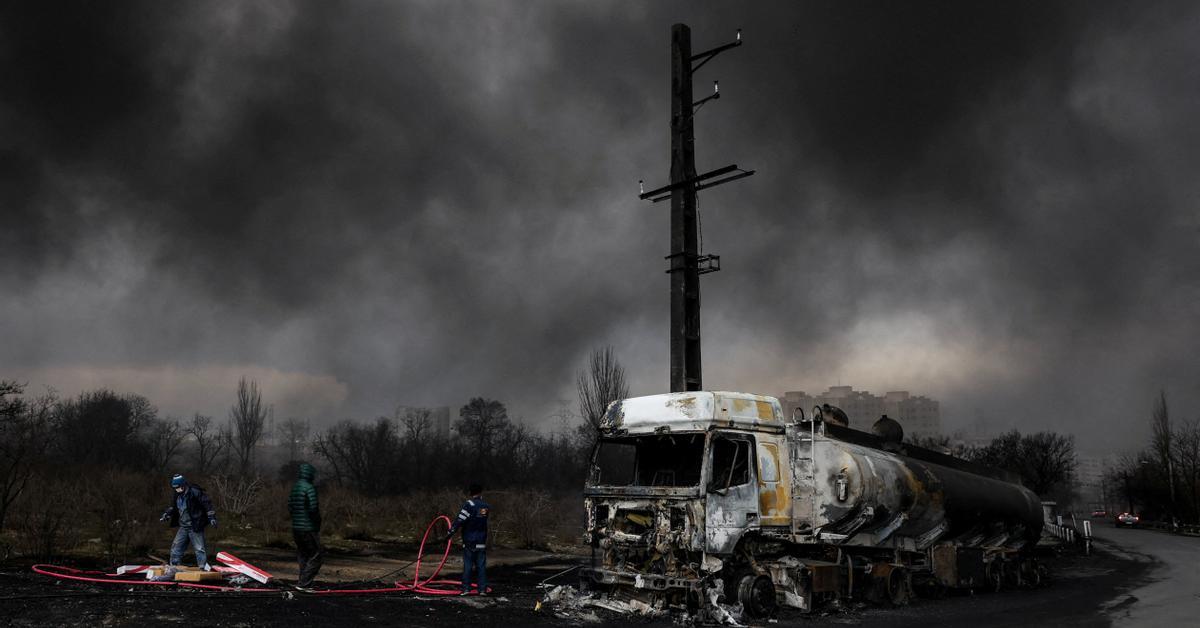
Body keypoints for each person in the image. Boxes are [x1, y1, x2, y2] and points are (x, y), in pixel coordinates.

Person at [159, 474, 217, 569]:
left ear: (183, 485)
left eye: (178, 487)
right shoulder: (177, 495)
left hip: (195, 525)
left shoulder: (194, 492)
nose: (177, 490)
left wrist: (212, 517)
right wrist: (167, 514)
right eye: (175, 488)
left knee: (199, 548)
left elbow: (207, 504)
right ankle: (174, 567)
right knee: (176, 547)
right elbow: (173, 507)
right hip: (183, 526)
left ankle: (202, 567)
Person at [447, 483, 490, 596]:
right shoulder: (485, 506)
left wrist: (451, 531)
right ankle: (482, 590)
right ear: (481, 492)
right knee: (481, 567)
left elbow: (460, 519)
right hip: (481, 541)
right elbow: (480, 520)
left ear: (471, 493)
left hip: (469, 541)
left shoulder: (469, 505)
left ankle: (466, 589)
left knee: (468, 566)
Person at [288, 462, 323, 588]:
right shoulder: (309, 488)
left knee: (303, 555)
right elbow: (314, 509)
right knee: (316, 556)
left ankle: (302, 583)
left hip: (296, 528)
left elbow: (290, 507)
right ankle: (304, 584)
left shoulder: (295, 487)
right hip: (308, 528)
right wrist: (317, 523)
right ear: (310, 474)